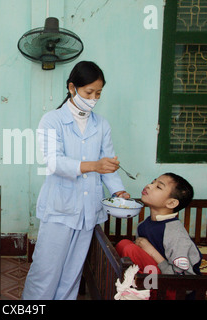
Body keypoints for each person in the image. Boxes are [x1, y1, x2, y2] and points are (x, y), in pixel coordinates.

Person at [22, 61, 130, 300]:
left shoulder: (101, 124)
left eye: (98, 93)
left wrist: (119, 192)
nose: (93, 98)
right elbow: (54, 162)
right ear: (72, 88)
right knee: (46, 271)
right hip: (60, 208)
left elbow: (108, 166)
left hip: (88, 211)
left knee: (72, 273)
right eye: (88, 92)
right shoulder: (52, 120)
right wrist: (95, 165)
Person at [116, 173, 202, 276]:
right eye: (152, 182)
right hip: (152, 278)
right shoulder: (143, 225)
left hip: (174, 286)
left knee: (131, 250)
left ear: (171, 203)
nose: (149, 185)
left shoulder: (176, 234)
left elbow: (182, 278)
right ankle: (130, 284)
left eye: (158, 187)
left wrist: (152, 252)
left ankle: (141, 289)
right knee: (124, 244)